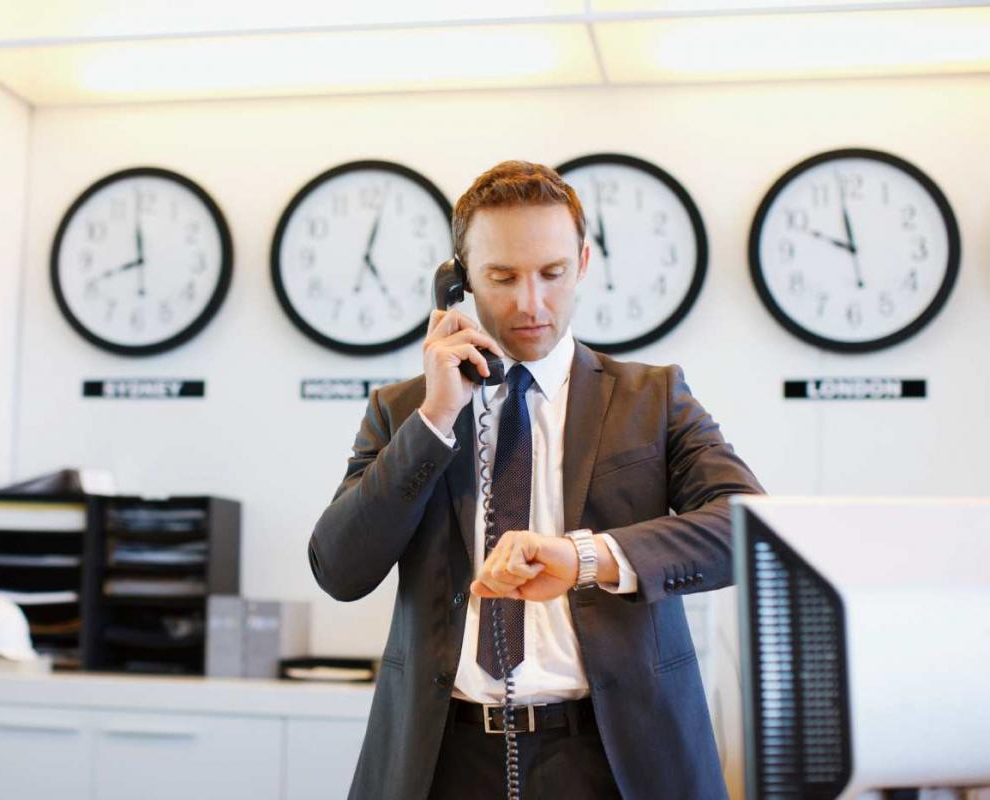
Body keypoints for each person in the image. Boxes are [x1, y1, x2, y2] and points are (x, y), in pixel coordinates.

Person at [308, 160, 765, 800]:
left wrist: (587, 556)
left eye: (551, 273)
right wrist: (436, 418)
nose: (530, 303)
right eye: (502, 277)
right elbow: (339, 569)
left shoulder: (651, 397)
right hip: (445, 758)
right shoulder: (403, 409)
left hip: (616, 756)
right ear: (459, 282)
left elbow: (746, 527)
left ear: (581, 262)